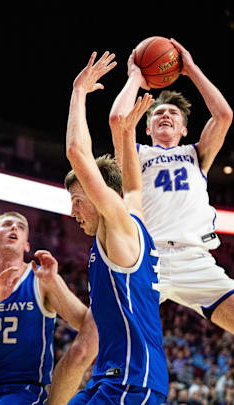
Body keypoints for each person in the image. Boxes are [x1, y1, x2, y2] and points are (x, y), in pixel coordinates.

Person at [101, 38, 234, 405]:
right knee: (96, 342)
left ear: (184, 129)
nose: (165, 116)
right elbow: (118, 119)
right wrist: (135, 74)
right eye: (157, 114)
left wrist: (190, 68)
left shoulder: (196, 154)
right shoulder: (136, 152)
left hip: (196, 261)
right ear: (147, 127)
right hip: (146, 263)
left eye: (174, 115)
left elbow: (224, 115)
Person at [62, 51, 167, 404]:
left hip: (132, 382)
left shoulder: (118, 221)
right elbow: (133, 185)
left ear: (99, 194)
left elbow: (78, 151)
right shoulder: (132, 211)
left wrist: (78, 92)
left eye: (78, 199)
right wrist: (127, 130)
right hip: (109, 378)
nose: (72, 211)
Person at [0, 211, 89, 405]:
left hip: (25, 389)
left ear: (26, 245)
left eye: (21, 227)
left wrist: (55, 283)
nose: (14, 228)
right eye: (7, 224)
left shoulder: (42, 278)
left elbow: (83, 323)